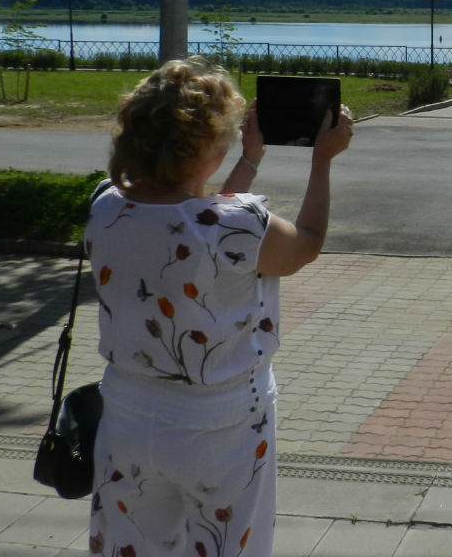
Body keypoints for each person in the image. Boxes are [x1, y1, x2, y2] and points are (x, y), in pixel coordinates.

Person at [85, 57, 353, 557]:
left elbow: (196, 220)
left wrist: (249, 161)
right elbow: (305, 242)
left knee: (133, 548)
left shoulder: (105, 206)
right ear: (206, 147)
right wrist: (322, 161)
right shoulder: (239, 224)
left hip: (126, 413)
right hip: (222, 420)